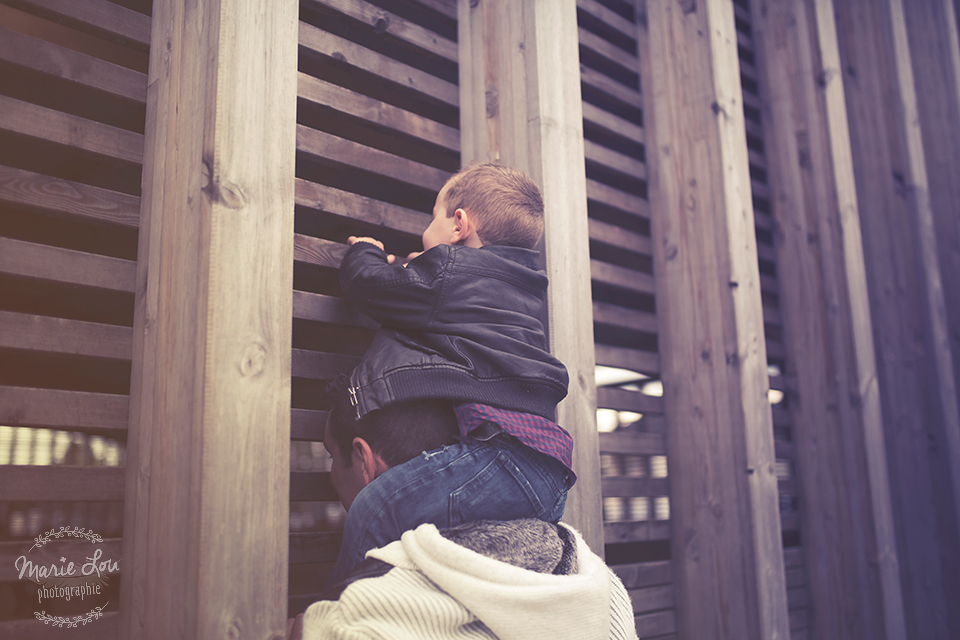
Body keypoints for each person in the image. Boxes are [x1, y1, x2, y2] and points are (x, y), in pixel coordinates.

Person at [328, 164, 577, 583]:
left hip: (501, 459)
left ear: (459, 224)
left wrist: (365, 251)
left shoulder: (448, 273)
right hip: (550, 480)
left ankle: (334, 615)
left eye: (433, 218)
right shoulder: (525, 289)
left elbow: (370, 285)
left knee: (374, 508)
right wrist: (412, 269)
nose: (427, 234)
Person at [287, 403, 638, 640]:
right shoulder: (596, 578)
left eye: (331, 456)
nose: (328, 474)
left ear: (364, 460)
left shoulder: (351, 620)